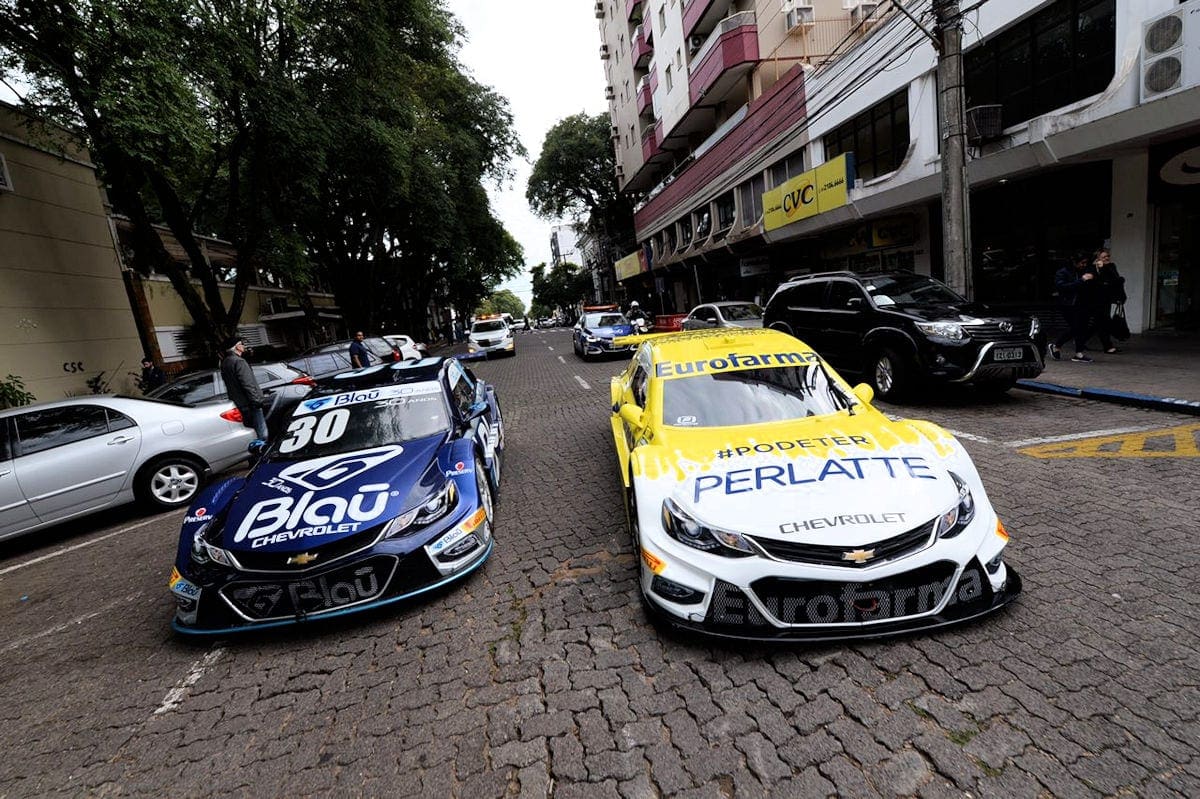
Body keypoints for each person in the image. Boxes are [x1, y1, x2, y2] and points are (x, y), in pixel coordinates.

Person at [1048, 253, 1096, 363]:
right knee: (1075, 327)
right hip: (1068, 304)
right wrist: (1081, 280)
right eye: (1082, 263)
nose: (1084, 265)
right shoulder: (1063, 272)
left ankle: (1079, 353)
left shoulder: (1084, 271)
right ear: (1075, 262)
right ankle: (1056, 345)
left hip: (1082, 303)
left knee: (1082, 328)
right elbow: (1062, 287)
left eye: (1085, 263)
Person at [219, 337, 269, 441]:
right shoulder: (239, 361)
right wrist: (256, 401)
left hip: (238, 403)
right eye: (241, 344)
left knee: (250, 432)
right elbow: (247, 384)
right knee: (261, 432)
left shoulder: (225, 362)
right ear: (236, 347)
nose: (243, 346)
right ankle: (263, 448)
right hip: (250, 403)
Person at [1092, 248, 1126, 354]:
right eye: (1104, 257)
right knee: (1102, 322)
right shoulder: (1093, 268)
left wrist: (1105, 268)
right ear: (1098, 258)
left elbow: (1115, 279)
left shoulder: (1111, 266)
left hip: (1107, 299)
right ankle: (1107, 346)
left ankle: (1081, 340)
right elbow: (1098, 282)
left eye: (1108, 256)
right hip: (1096, 299)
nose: (1107, 258)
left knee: (1100, 323)